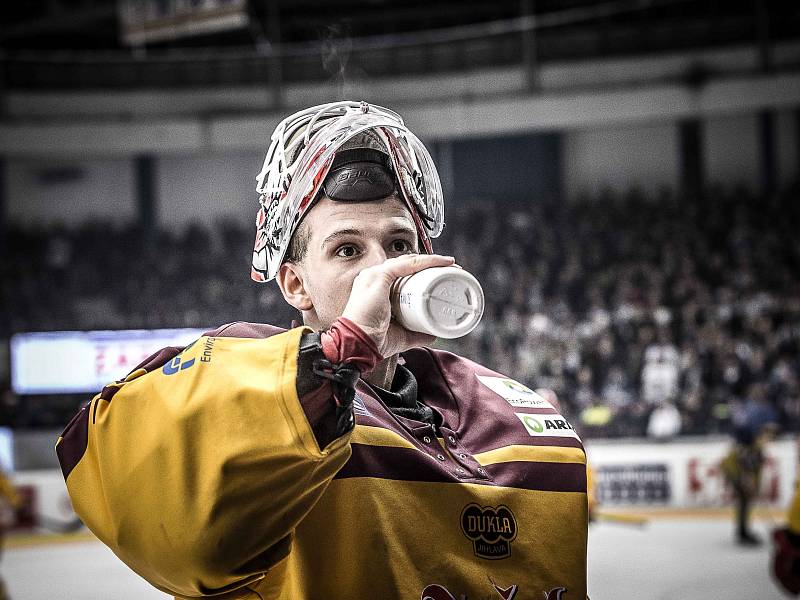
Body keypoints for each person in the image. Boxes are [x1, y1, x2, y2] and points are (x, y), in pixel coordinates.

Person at [55, 101, 588, 599]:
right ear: (295, 285)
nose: (380, 269)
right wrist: (344, 350)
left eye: (400, 245)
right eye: (347, 249)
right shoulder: (242, 372)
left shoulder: (514, 414)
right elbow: (166, 516)